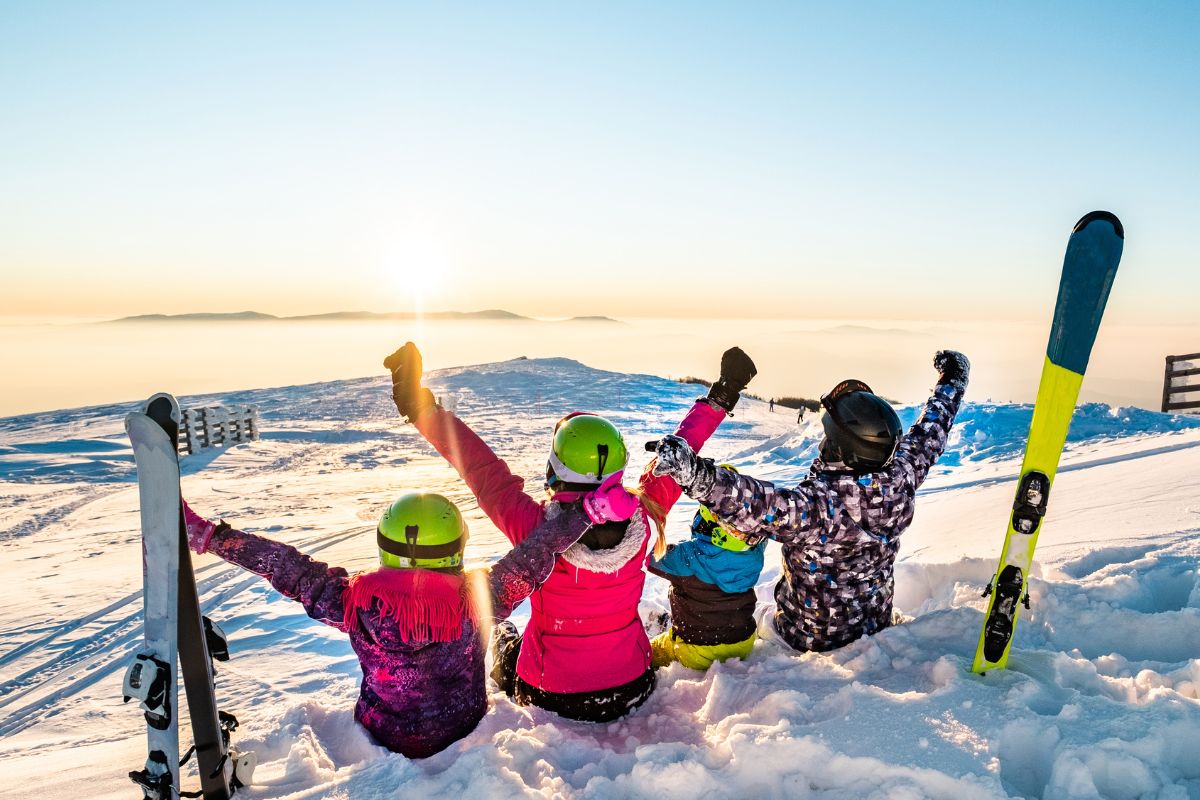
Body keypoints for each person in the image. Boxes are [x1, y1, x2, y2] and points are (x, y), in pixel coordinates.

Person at [385, 342, 757, 721]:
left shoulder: (534, 529)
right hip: (632, 684)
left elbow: (481, 469)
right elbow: (680, 453)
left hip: (551, 693)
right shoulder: (644, 515)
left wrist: (420, 409)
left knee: (505, 639)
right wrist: (722, 394)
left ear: (556, 467)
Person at [179, 477, 637, 758]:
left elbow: (287, 567)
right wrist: (586, 513)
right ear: (456, 549)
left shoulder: (353, 602)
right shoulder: (478, 600)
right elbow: (535, 555)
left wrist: (213, 538)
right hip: (463, 726)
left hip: (384, 733)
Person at [650, 351, 969, 653]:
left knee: (755, 622)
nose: (822, 441)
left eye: (829, 436)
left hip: (806, 637)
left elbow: (753, 503)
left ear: (842, 450)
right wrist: (951, 381)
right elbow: (931, 431)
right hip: (874, 622)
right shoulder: (901, 473)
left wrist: (692, 473)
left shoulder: (818, 507)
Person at [647, 464, 767, 670]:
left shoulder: (687, 557)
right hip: (743, 641)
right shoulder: (754, 552)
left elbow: (649, 556)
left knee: (651, 651)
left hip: (697, 650)